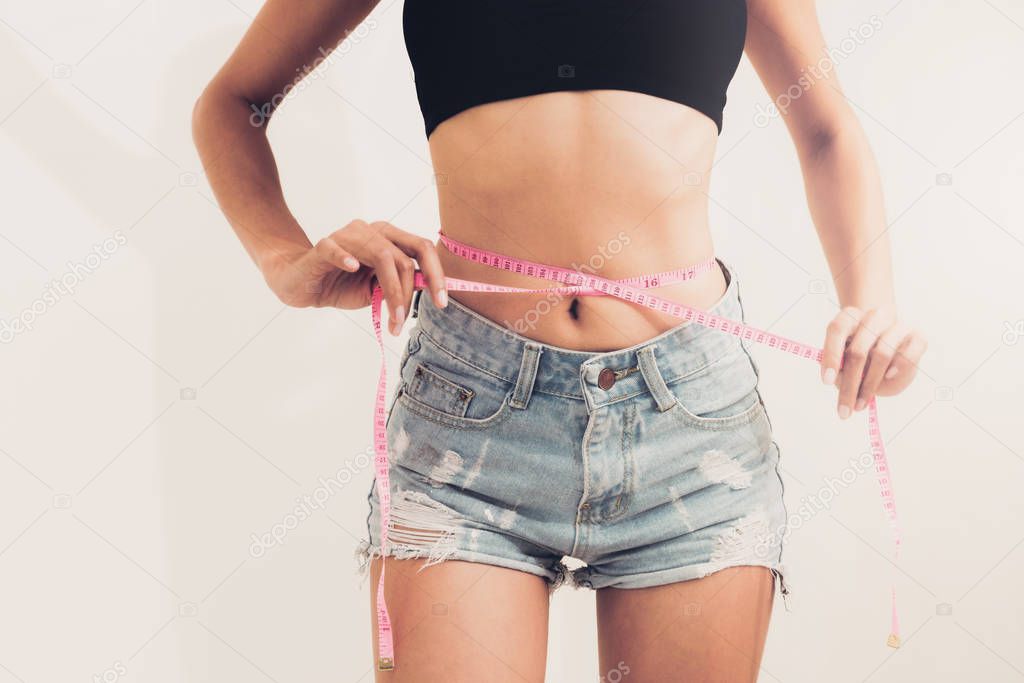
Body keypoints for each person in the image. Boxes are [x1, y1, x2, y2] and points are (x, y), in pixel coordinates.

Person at [191, 0, 927, 680]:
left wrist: (874, 307)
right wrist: (284, 261)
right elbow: (233, 103)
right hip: (468, 421)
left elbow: (826, 129)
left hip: (689, 422)